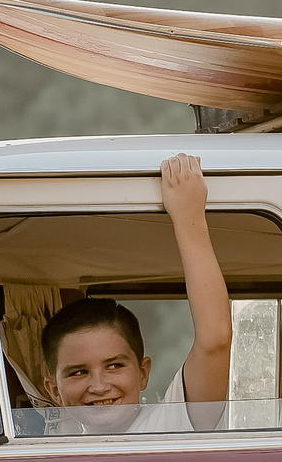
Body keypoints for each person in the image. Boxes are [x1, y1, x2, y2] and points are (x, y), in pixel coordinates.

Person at [35, 153, 233, 431]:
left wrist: (189, 217)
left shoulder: (171, 425)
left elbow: (215, 339)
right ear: (54, 390)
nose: (99, 386)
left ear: (143, 373)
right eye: (78, 372)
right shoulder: (54, 448)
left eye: (115, 366)